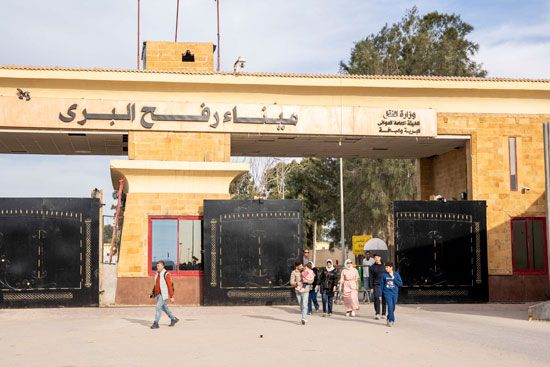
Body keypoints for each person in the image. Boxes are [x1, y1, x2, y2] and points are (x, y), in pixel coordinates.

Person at [150, 261, 179, 329]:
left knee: (158, 307)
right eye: (157, 266)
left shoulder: (166, 274)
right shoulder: (157, 273)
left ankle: (156, 323)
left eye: (158, 266)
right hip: (157, 294)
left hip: (163, 294)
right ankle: (173, 319)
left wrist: (171, 296)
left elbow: (169, 286)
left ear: (163, 266)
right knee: (164, 308)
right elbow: (156, 285)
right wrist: (152, 293)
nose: (157, 267)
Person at [381, 262, 403, 327]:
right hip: (387, 293)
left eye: (387, 267)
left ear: (391, 267)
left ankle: (388, 317)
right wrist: (380, 294)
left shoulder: (396, 274)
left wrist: (394, 278)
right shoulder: (384, 275)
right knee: (390, 306)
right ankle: (391, 320)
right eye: (385, 267)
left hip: (394, 293)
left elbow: (400, 284)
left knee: (393, 307)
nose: (386, 268)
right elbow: (381, 285)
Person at [369, 254, 387, 320]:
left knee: (384, 299)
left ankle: (384, 313)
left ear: (380, 258)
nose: (376, 259)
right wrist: (371, 287)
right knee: (376, 298)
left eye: (377, 257)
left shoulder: (384, 266)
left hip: (384, 284)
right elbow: (370, 278)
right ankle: (377, 313)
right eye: (375, 258)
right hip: (376, 284)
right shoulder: (372, 267)